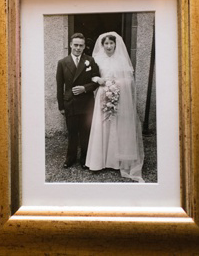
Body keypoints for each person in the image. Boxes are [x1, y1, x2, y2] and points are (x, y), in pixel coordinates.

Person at [85, 31, 145, 182]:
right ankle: (100, 160)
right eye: (106, 43)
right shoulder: (97, 59)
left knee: (117, 125)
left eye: (111, 43)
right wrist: (99, 79)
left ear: (115, 44)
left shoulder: (121, 60)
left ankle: (116, 160)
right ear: (102, 45)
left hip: (118, 95)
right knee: (102, 124)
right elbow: (91, 75)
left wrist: (116, 84)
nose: (109, 46)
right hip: (102, 94)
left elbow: (129, 80)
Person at [55, 33, 100, 169]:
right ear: (70, 45)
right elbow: (59, 86)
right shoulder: (62, 63)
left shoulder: (90, 61)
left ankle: (84, 159)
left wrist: (84, 88)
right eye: (75, 45)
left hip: (86, 103)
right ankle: (70, 158)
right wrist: (61, 106)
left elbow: (96, 80)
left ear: (84, 46)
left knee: (85, 132)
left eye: (81, 45)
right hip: (71, 103)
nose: (78, 48)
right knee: (72, 132)